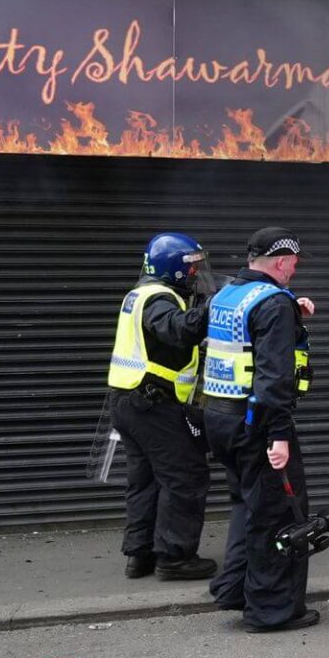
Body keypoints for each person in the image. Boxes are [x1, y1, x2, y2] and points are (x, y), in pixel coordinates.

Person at [202, 227, 319, 632]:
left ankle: (235, 588)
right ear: (282, 262)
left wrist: (291, 312)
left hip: (220, 418)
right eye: (294, 264)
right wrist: (279, 436)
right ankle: (270, 609)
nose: (294, 271)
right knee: (275, 512)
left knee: (245, 505)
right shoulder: (273, 304)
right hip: (258, 424)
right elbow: (273, 379)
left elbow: (238, 338)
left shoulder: (227, 294)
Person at [106, 232, 217, 581]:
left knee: (145, 482)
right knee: (185, 476)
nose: (196, 273)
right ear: (173, 267)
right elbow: (176, 330)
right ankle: (175, 557)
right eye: (191, 266)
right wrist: (211, 309)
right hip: (154, 403)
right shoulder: (158, 297)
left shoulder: (139, 294)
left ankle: (139, 556)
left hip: (131, 402)